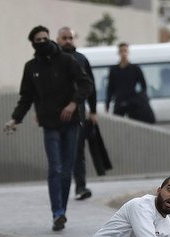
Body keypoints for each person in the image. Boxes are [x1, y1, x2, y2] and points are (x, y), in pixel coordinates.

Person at [4, 25, 93, 231]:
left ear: (50, 38)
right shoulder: (31, 67)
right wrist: (14, 119)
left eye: (45, 38)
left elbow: (86, 85)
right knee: (55, 168)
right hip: (49, 125)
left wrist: (73, 104)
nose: (42, 42)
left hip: (70, 123)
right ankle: (58, 213)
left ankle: (62, 208)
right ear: (33, 43)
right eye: (38, 40)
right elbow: (25, 98)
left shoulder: (67, 60)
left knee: (66, 170)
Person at [56, 26, 97, 201]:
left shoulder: (81, 59)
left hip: (78, 115)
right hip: (55, 116)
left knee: (78, 152)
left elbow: (90, 86)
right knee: (58, 154)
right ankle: (59, 187)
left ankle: (80, 186)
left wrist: (93, 111)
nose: (68, 41)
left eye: (70, 38)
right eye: (64, 38)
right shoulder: (53, 60)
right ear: (58, 40)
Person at [105, 42, 155, 124]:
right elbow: (110, 88)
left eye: (125, 51)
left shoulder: (135, 69)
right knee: (118, 125)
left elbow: (144, 85)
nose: (123, 53)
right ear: (119, 53)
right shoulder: (114, 70)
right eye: (121, 51)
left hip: (133, 102)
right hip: (119, 101)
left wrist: (141, 98)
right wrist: (107, 104)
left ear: (128, 52)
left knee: (134, 124)